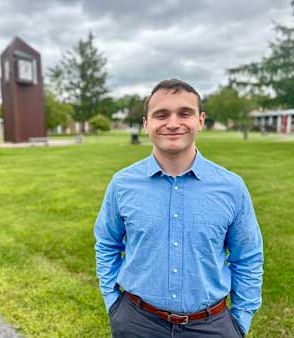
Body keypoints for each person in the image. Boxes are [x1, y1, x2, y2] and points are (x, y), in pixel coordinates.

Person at [94, 79, 263, 338]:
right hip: (137, 323)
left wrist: (240, 322)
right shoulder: (122, 184)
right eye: (161, 114)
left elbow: (248, 257)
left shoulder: (231, 187)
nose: (173, 123)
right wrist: (113, 303)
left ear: (201, 120)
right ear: (146, 123)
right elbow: (107, 243)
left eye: (185, 113)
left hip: (212, 327)